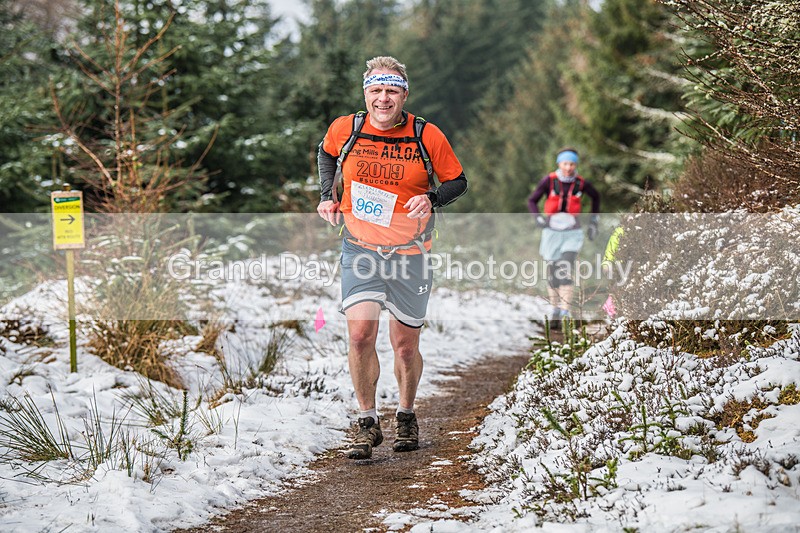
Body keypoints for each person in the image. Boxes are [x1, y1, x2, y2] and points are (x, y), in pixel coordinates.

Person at [316, 56, 468, 459]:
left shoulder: (426, 134)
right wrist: (327, 196)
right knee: (360, 335)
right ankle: (367, 422)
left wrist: (432, 198)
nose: (383, 99)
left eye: (392, 91)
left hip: (410, 254)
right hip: (360, 249)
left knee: (404, 345)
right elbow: (326, 152)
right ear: (366, 93)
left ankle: (405, 413)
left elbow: (458, 180)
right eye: (376, 91)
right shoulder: (345, 129)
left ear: (403, 94)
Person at [527, 147, 600, 325]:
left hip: (572, 233)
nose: (569, 167)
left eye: (572, 164)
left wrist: (593, 222)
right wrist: (538, 218)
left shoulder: (581, 184)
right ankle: (555, 310)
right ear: (559, 163)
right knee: (553, 273)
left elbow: (596, 197)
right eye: (565, 163)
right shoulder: (549, 181)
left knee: (565, 269)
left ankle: (566, 312)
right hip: (551, 232)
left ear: (576, 165)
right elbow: (532, 201)